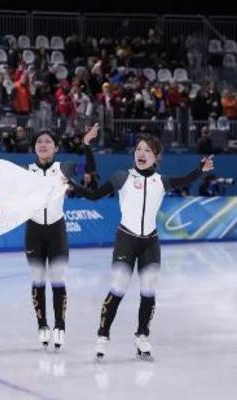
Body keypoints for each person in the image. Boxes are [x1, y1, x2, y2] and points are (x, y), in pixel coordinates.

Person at [71, 135, 213, 360]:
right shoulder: (123, 177)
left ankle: (142, 336)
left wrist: (200, 169)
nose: (141, 153)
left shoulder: (161, 181)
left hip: (150, 242)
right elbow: (94, 195)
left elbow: (185, 180)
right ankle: (102, 336)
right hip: (126, 239)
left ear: (156, 156)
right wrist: (72, 184)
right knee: (118, 289)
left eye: (147, 150)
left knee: (148, 291)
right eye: (138, 149)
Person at [25, 126, 99, 350]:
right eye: (39, 141)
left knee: (57, 279)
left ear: (56, 148)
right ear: (34, 148)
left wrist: (86, 145)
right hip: (34, 232)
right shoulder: (26, 171)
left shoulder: (64, 168)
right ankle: (42, 325)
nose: (43, 144)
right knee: (38, 280)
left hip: (56, 231)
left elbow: (90, 169)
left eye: (47, 141)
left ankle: (60, 325)